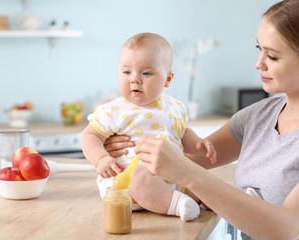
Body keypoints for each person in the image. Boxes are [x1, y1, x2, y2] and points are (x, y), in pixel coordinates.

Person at [102, 0, 299, 239]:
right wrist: (125, 147)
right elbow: (180, 160)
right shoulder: (258, 116)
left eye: (272, 56)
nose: (258, 63)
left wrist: (188, 173)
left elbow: (286, 228)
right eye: (259, 48)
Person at [81, 32, 216, 221]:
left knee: (200, 178)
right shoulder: (114, 110)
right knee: (141, 177)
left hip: (172, 179)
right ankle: (177, 205)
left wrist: (198, 144)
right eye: (126, 72)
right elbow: (89, 136)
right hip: (128, 185)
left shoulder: (175, 107)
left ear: (168, 79)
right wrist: (101, 159)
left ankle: (220, 201)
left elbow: (183, 133)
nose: (134, 79)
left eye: (146, 73)